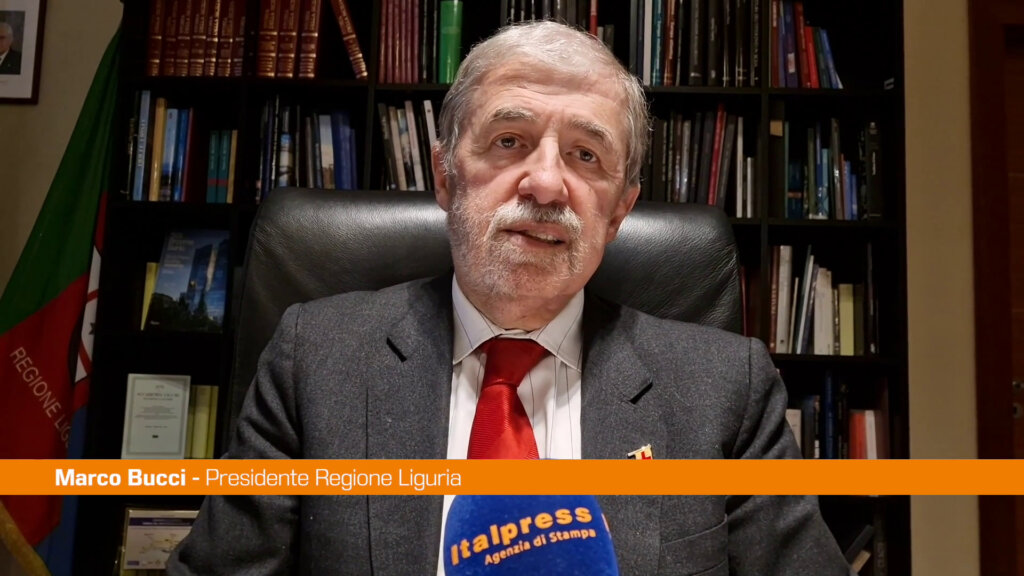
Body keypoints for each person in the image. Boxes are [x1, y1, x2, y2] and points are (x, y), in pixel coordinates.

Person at [168, 21, 849, 575]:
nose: (546, 184)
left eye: (586, 155)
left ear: (618, 211)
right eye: (509, 141)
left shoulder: (726, 388)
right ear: (445, 177)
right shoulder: (316, 360)